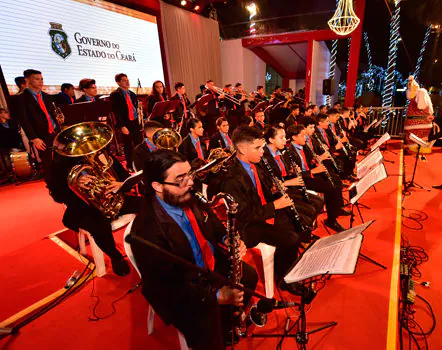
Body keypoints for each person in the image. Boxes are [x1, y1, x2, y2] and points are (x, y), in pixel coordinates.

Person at [130, 150, 258, 348]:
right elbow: (165, 286)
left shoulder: (189, 195)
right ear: (157, 186)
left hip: (209, 266)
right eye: (180, 178)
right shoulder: (146, 231)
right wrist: (216, 296)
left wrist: (229, 238)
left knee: (248, 278)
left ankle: (226, 324)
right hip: (183, 288)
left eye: (190, 174)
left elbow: (214, 225)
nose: (190, 182)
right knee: (209, 336)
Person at [221, 126, 302, 285]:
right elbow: (244, 214)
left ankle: (287, 261)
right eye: (257, 148)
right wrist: (275, 206)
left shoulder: (254, 164)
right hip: (247, 226)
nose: (262, 152)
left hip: (262, 212)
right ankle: (284, 279)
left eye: (262, 147)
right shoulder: (231, 178)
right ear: (242, 149)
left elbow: (260, 190)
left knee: (298, 218)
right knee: (291, 238)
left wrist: (272, 189)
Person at [47, 145, 140, 276]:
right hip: (82, 207)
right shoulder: (59, 164)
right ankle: (116, 257)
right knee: (99, 225)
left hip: (113, 199)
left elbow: (124, 178)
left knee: (146, 204)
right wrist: (74, 185)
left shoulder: (102, 155)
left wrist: (119, 185)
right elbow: (57, 196)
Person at [262, 125, 324, 238]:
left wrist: (291, 172)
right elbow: (270, 182)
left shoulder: (280, 152)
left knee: (318, 202)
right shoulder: (264, 157)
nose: (285, 140)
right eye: (281, 138)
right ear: (271, 140)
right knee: (309, 210)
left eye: (285, 137)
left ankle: (305, 232)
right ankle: (303, 235)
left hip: (287, 187)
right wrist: (291, 181)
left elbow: (282, 174)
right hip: (277, 194)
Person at [287, 124, 349, 232]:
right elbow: (294, 175)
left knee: (336, 180)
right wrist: (313, 171)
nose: (305, 138)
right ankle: (331, 220)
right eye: (302, 135)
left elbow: (309, 160)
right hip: (302, 180)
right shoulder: (289, 152)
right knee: (331, 188)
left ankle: (336, 209)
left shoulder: (304, 146)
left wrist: (315, 161)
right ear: (294, 137)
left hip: (310, 174)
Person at [17, 69, 60, 184]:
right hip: (40, 136)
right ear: (27, 80)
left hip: (56, 132)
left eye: (41, 79)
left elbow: (53, 114)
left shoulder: (47, 96)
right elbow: (24, 120)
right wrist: (34, 138)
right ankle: (52, 186)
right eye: (37, 79)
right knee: (48, 164)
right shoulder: (21, 98)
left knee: (61, 160)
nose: (40, 81)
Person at [110, 73, 142, 171]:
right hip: (125, 123)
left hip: (135, 121)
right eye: (124, 80)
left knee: (138, 143)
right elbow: (116, 112)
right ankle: (129, 165)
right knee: (128, 145)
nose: (127, 81)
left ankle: (139, 163)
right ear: (118, 82)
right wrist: (122, 126)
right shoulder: (115, 94)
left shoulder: (131, 94)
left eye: (127, 79)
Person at [0, 108, 22, 182]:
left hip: (14, 143)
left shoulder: (12, 122)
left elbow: (17, 133)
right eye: (5, 112)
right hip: (4, 146)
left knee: (15, 156)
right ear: (0, 115)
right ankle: (11, 175)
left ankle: (19, 173)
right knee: (7, 161)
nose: (7, 114)